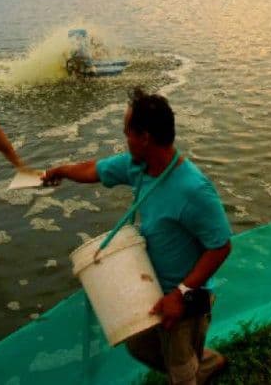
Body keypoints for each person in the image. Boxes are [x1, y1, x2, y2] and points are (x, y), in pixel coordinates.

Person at [42, 87, 232, 384]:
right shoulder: (138, 167)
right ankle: (206, 361)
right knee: (138, 345)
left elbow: (220, 247)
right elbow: (95, 168)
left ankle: (195, 368)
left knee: (182, 376)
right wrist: (61, 171)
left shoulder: (194, 189)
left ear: (145, 137)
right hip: (149, 287)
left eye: (127, 132)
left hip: (183, 302)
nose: (124, 138)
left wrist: (181, 294)